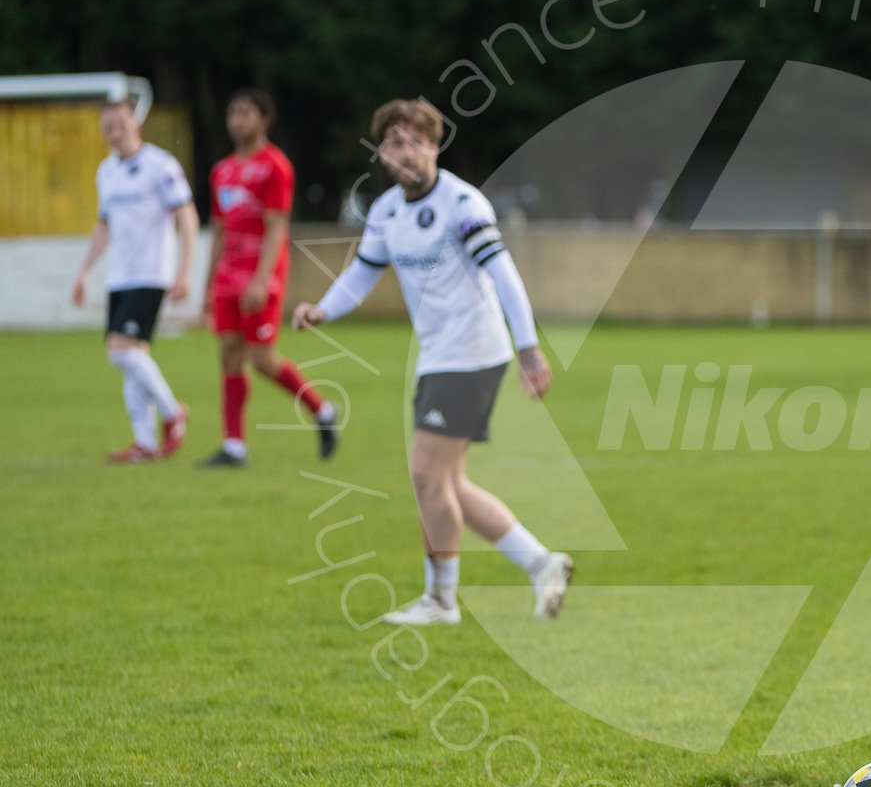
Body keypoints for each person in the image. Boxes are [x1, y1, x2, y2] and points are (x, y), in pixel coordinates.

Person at [292, 99, 572, 624]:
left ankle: (442, 601)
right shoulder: (386, 211)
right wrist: (322, 309)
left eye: (417, 141)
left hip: (472, 354)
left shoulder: (463, 204)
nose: (407, 152)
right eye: (396, 143)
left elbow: (505, 276)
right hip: (437, 357)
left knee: (425, 471)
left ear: (435, 147)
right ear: (382, 152)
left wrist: (528, 349)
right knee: (447, 484)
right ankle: (541, 563)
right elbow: (362, 273)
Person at [200, 89, 338, 467]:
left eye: (245, 113)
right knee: (228, 354)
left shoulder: (275, 166)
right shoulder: (222, 171)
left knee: (261, 359)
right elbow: (219, 231)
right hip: (228, 276)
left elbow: (277, 226)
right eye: (232, 113)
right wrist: (207, 288)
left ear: (263, 120)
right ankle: (234, 446)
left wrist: (261, 281)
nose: (236, 121)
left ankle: (322, 410)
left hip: (259, 274)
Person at [71, 99, 196, 462]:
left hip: (151, 272)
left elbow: (186, 216)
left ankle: (173, 412)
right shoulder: (105, 171)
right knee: (133, 357)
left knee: (119, 351)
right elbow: (103, 224)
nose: (114, 130)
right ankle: (144, 442)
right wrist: (84, 271)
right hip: (119, 275)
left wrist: (183, 270)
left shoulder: (160, 165)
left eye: (121, 122)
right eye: (107, 125)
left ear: (136, 124)